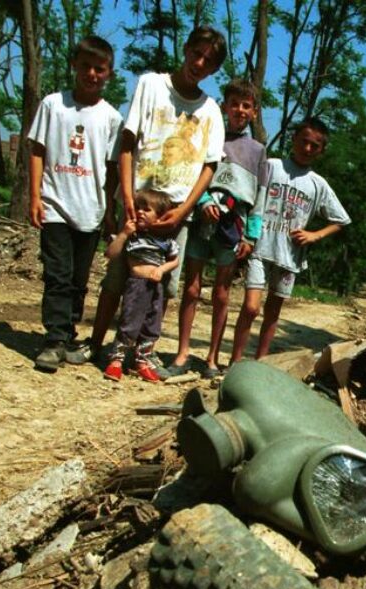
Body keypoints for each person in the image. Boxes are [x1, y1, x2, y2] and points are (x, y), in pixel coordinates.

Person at [75, 25, 228, 379]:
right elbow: (128, 142)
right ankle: (97, 342)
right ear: (186, 49)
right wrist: (126, 197)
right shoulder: (151, 85)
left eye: (208, 61)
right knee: (118, 278)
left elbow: (209, 166)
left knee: (162, 285)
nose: (199, 63)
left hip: (175, 211)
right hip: (140, 201)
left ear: (214, 70)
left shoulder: (211, 111)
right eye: (197, 54)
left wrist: (184, 210)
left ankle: (143, 352)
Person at [26, 36, 121, 372]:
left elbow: (112, 169)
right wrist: (35, 196)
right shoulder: (54, 105)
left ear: (109, 73)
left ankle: (67, 331)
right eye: (86, 66)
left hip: (90, 211)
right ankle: (53, 340)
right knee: (58, 275)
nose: (91, 74)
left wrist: (109, 210)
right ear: (74, 66)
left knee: (79, 280)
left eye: (100, 69)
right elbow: (37, 151)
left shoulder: (111, 118)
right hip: (55, 204)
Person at [169, 78, 268, 378]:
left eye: (246, 106)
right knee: (192, 286)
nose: (239, 110)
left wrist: (252, 234)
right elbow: (194, 173)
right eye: (234, 103)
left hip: (233, 225)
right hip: (203, 220)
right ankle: (182, 352)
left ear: (254, 112)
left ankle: (212, 357)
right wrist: (202, 202)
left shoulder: (257, 150)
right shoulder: (210, 136)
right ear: (224, 106)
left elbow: (259, 196)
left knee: (222, 293)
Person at [229, 118, 350, 363]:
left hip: (289, 256)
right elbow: (249, 196)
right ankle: (235, 360)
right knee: (251, 308)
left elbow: (341, 220)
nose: (307, 149)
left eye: (314, 146)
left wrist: (315, 235)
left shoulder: (318, 184)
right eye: (303, 141)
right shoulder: (272, 166)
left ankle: (261, 362)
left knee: (273, 313)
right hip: (260, 247)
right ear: (294, 139)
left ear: (321, 150)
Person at [101, 189, 182, 382]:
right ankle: (116, 360)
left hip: (156, 287)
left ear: (160, 217)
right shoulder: (133, 236)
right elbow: (110, 254)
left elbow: (175, 261)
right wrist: (123, 234)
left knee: (152, 325)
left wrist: (162, 270)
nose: (140, 212)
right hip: (136, 286)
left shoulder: (165, 241)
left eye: (147, 209)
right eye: (138, 208)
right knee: (129, 321)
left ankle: (142, 361)